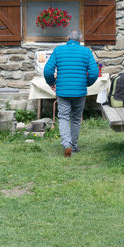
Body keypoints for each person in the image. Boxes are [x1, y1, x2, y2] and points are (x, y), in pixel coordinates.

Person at [43, 30, 99, 158]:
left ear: (67, 38)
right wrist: (86, 83)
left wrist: (52, 82)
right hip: (79, 91)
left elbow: (47, 70)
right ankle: (73, 145)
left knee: (63, 117)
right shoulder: (86, 52)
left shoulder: (58, 50)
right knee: (75, 118)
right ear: (80, 39)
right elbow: (95, 73)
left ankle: (66, 144)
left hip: (62, 91)